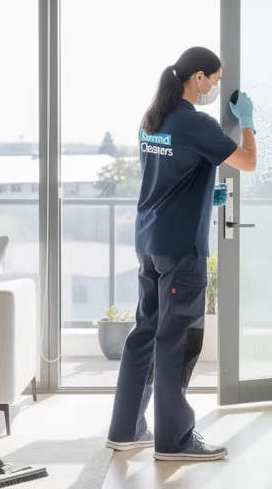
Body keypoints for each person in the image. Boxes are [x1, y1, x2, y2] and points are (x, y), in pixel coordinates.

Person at [106, 46, 258, 461]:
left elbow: (169, 174)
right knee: (177, 341)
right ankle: (175, 440)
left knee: (145, 333)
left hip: (150, 241)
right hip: (181, 249)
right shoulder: (195, 122)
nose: (216, 87)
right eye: (216, 80)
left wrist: (207, 194)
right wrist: (247, 123)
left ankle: (126, 429)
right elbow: (247, 162)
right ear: (199, 78)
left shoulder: (152, 119)